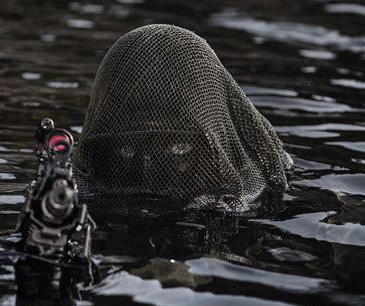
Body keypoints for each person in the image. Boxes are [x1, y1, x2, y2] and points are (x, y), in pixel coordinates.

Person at [74, 24, 291, 212]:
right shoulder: (73, 183)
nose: (154, 155)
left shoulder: (245, 189)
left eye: (176, 144)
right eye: (130, 143)